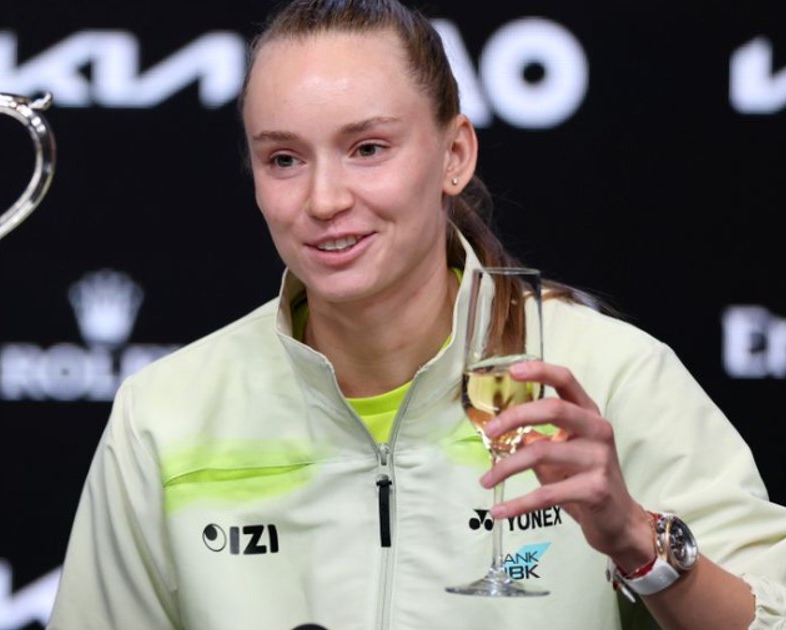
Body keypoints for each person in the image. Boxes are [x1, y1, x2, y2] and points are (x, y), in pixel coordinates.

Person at [47, 0, 786, 628]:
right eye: (283, 159)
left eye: (368, 148)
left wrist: (638, 541)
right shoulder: (165, 414)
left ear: (454, 155)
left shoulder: (610, 375)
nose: (324, 199)